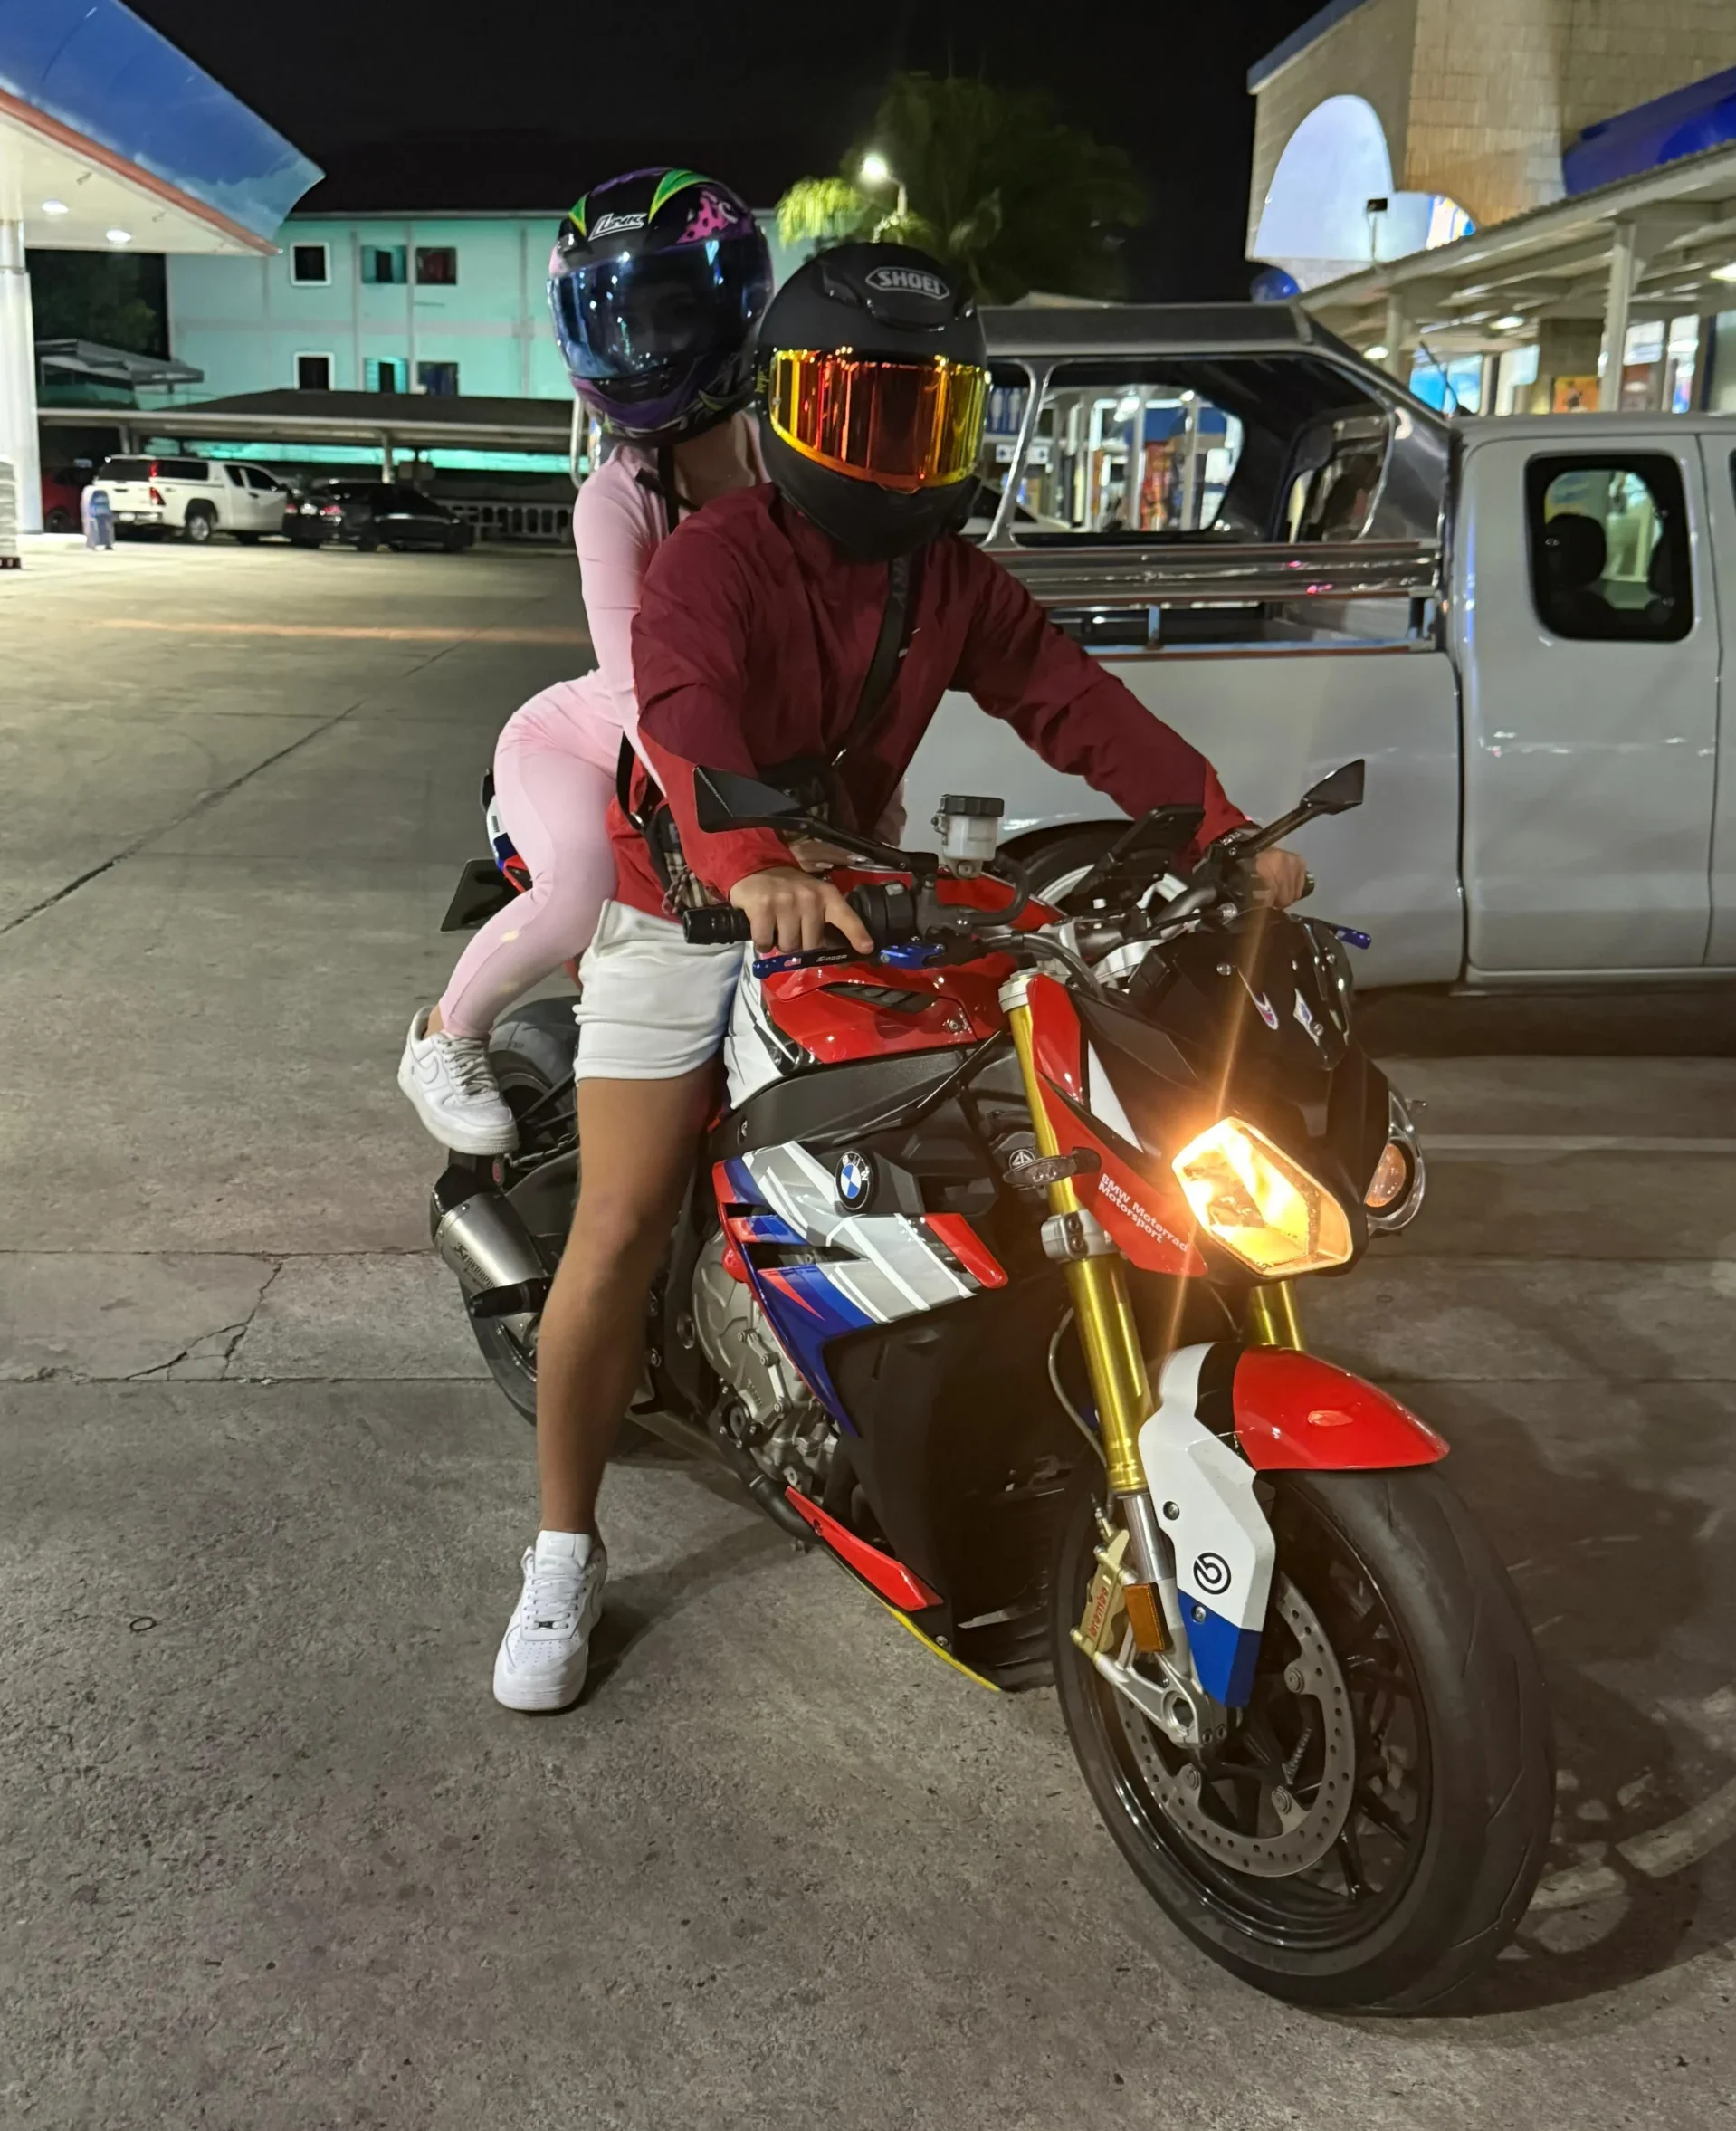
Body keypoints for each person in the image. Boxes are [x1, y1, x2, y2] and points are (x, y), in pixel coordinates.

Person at [491, 242, 1309, 1714]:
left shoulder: (950, 580)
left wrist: (1216, 829)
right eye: (860, 412)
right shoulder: (715, 558)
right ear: (786, 409)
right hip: (682, 894)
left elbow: (1071, 700)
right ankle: (562, 1544)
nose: (893, 452)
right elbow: (681, 709)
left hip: (852, 891)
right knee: (616, 1219)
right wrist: (749, 860)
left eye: (928, 417)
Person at [396, 167, 774, 1155]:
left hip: (700, 752)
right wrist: (742, 842)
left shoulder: (782, 469)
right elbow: (643, 694)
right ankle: (445, 1034)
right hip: (582, 743)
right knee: (578, 889)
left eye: (668, 312)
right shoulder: (616, 500)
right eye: (616, 320)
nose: (641, 344)